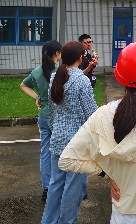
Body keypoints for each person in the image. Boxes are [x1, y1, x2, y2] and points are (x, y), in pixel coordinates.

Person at [59, 42, 136, 224]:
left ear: (120, 77)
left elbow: (66, 160)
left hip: (122, 214)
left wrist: (107, 171)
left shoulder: (103, 114)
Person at [41, 41, 98, 224]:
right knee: (74, 188)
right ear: (81, 58)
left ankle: (49, 221)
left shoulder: (55, 78)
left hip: (57, 138)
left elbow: (51, 110)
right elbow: (92, 114)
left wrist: (56, 128)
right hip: (76, 143)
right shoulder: (82, 80)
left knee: (56, 184)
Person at [19, 40, 62, 202]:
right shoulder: (60, 72)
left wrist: (37, 97)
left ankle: (46, 188)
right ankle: (59, 186)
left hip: (44, 116)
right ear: (57, 53)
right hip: (58, 116)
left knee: (45, 152)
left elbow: (23, 85)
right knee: (60, 152)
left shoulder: (37, 72)